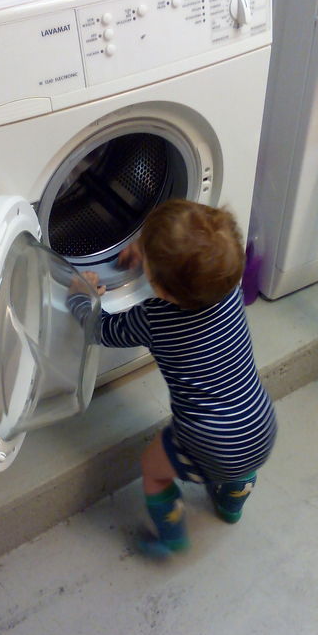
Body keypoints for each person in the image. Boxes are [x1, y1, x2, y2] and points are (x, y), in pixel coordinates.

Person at [68, 199, 277, 557]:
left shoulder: (154, 319)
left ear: (160, 289)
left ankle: (172, 537)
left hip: (208, 439)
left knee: (154, 469)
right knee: (237, 469)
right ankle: (231, 502)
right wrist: (149, 252)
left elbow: (100, 330)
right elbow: (189, 264)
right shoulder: (227, 289)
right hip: (259, 424)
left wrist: (81, 298)